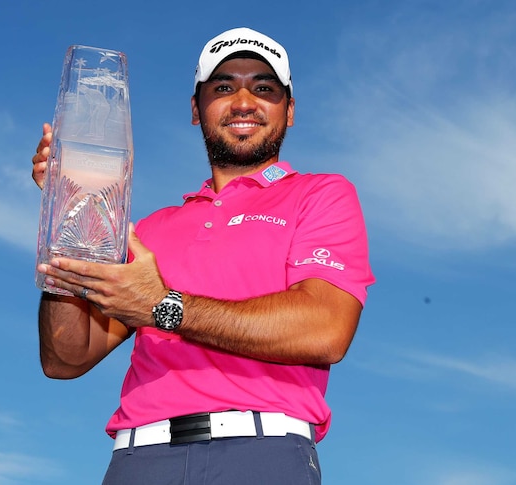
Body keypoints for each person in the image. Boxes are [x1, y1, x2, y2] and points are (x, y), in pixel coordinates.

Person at [31, 27, 374, 485]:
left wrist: (164, 307)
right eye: (224, 87)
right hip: (138, 459)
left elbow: (325, 329)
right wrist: (69, 214)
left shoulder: (321, 194)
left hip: (261, 454)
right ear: (197, 109)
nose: (245, 101)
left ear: (289, 111)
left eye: (265, 88)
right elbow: (66, 357)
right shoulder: (150, 230)